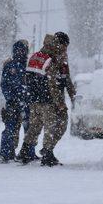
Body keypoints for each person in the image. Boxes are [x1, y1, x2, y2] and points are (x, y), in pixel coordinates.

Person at [17, 34, 68, 166]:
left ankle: (24, 152)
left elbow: (27, 78)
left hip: (34, 100)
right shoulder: (50, 60)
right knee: (50, 128)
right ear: (54, 45)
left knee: (35, 126)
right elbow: (52, 84)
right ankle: (47, 155)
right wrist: (59, 103)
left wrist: (31, 95)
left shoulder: (34, 56)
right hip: (47, 100)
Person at [0, 40, 36, 163]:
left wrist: (30, 98)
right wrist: (10, 98)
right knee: (10, 128)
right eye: (18, 50)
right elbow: (4, 85)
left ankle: (29, 153)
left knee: (29, 128)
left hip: (27, 103)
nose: (20, 52)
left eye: (23, 50)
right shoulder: (9, 65)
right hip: (12, 103)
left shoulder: (30, 64)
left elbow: (34, 84)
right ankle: (6, 154)